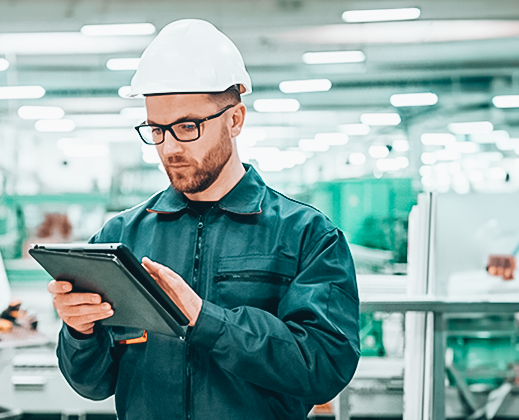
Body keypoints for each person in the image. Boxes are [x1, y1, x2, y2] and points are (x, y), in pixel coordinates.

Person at [47, 19, 360, 420]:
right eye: (156, 129)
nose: (170, 147)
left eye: (187, 126)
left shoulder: (306, 235)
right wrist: (80, 331)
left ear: (235, 120)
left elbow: (325, 368)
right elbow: (92, 385)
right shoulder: (120, 237)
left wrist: (204, 319)